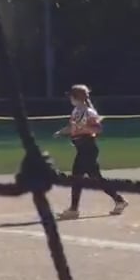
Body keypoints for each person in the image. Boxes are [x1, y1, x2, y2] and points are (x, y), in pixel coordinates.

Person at [53, 84, 128, 222]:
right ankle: (119, 200)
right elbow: (73, 127)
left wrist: (84, 127)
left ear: (76, 97)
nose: (70, 99)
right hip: (83, 149)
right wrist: (61, 132)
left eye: (71, 96)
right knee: (96, 178)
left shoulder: (89, 112)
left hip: (88, 148)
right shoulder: (76, 111)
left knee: (77, 177)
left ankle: (74, 210)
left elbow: (98, 129)